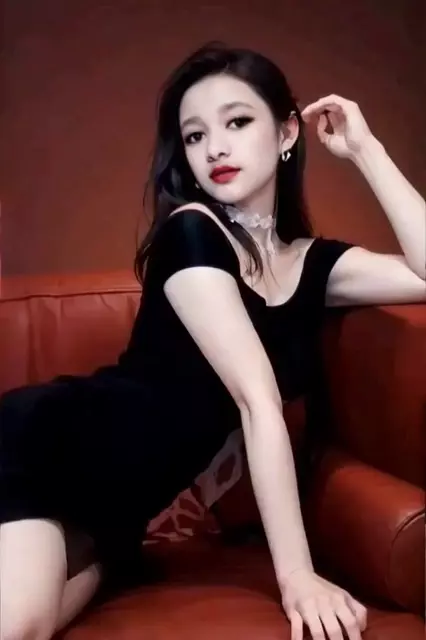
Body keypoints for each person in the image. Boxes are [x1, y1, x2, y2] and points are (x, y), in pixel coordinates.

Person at [0, 41, 424, 640]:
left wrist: (366, 150)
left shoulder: (314, 266)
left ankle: (114, 556)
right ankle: (111, 554)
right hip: (46, 448)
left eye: (237, 122)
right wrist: (298, 578)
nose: (214, 148)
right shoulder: (192, 233)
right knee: (15, 626)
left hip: (120, 504)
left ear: (286, 132)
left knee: (29, 621)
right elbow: (257, 400)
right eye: (195, 136)